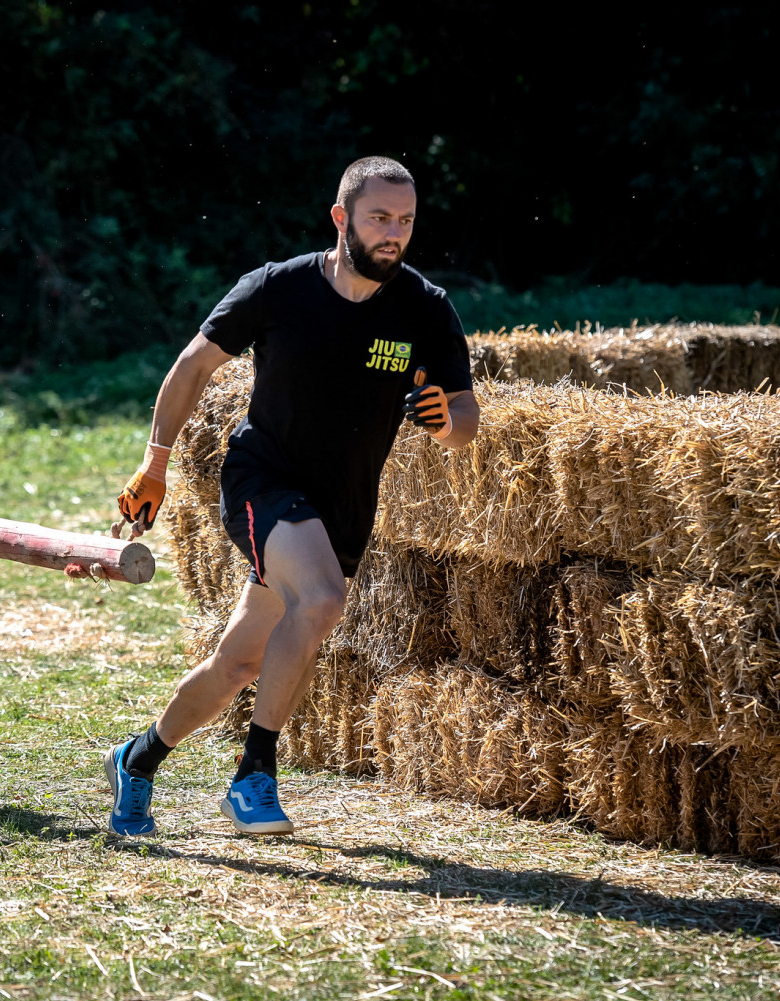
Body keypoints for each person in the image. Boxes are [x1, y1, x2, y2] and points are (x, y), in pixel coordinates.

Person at [106, 156, 479, 835]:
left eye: (405, 220)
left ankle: (137, 758)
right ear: (342, 219)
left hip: (341, 507)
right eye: (379, 218)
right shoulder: (277, 288)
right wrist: (154, 464)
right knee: (324, 599)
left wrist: (443, 421)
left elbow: (466, 421)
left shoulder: (424, 306)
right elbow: (192, 364)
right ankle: (255, 774)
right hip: (263, 478)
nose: (394, 233)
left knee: (239, 659)